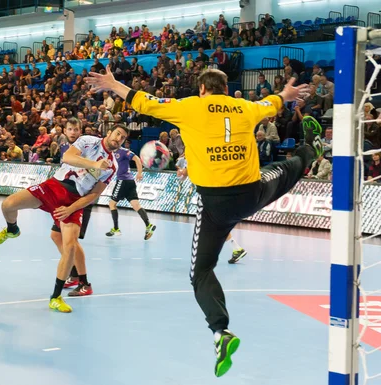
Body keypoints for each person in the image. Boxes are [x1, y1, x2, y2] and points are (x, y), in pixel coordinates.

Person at [85, 66, 322, 377]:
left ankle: (220, 332)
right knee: (290, 167)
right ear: (225, 88)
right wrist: (286, 95)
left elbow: (144, 101)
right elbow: (273, 104)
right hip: (253, 193)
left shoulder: (190, 107)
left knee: (201, 273)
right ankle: (312, 148)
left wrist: (114, 83)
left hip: (215, 206)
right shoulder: (246, 107)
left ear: (201, 90)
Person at [0, 124, 129, 313]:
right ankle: (12, 229)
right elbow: (68, 157)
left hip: (73, 200)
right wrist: (95, 164)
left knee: (70, 246)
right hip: (53, 186)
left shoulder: (113, 166)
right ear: (109, 133)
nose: (119, 138)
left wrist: (70, 208)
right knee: (8, 205)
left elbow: (94, 195)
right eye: (117, 134)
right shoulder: (88, 141)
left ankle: (56, 297)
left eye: (123, 138)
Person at [50, 118, 94, 296]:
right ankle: (74, 274)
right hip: (65, 196)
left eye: (76, 129)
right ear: (65, 131)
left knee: (72, 241)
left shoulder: (86, 147)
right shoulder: (65, 148)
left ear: (80, 131)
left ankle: (84, 282)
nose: (73, 132)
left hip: (80, 198)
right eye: (70, 129)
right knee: (56, 236)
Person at [176, 158, 247, 264]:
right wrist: (182, 174)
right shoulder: (197, 153)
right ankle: (236, 248)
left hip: (211, 194)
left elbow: (186, 172)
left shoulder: (196, 153)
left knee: (209, 225)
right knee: (217, 224)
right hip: (215, 192)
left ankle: (205, 255)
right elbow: (184, 175)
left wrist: (182, 172)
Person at [105, 144, 156, 240]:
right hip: (130, 182)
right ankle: (148, 225)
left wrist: (140, 172)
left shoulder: (123, 151)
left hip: (123, 181)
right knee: (136, 205)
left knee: (112, 204)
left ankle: (116, 229)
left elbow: (136, 158)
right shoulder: (111, 153)